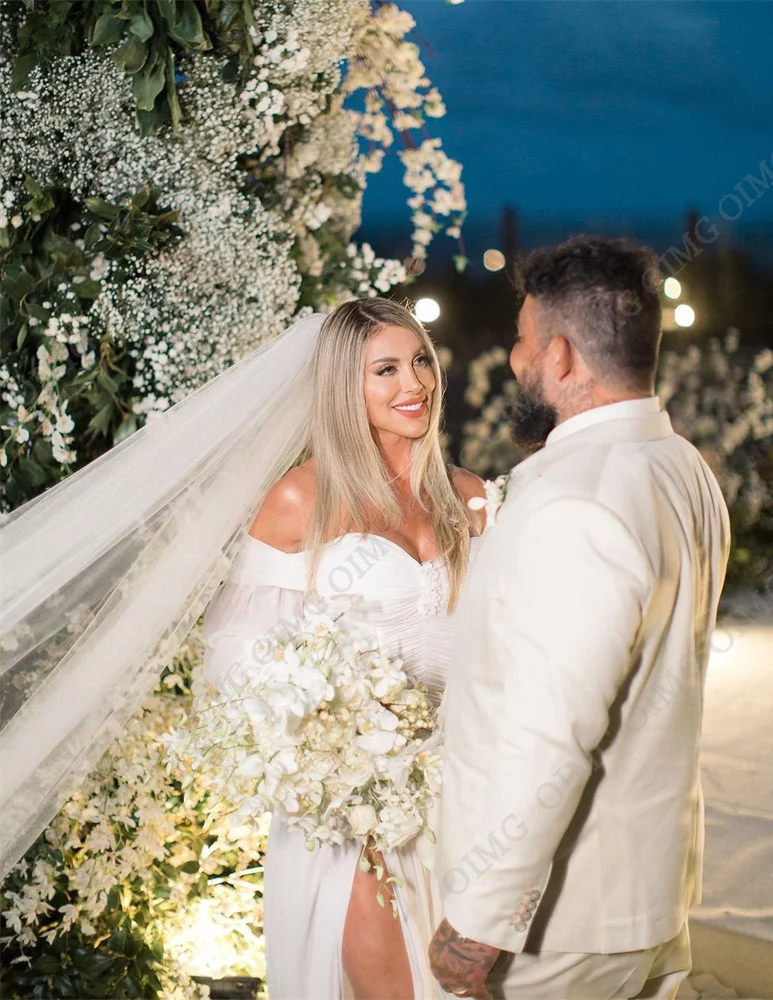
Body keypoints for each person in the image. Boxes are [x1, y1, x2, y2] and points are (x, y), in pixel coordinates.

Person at [429, 236, 731, 1000]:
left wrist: (481, 921)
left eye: (524, 344)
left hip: (560, 926)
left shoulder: (574, 503)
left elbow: (549, 736)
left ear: (562, 357)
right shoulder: (683, 467)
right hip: (645, 897)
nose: (512, 360)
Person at [201, 297, 486, 1000]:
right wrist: (336, 756)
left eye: (420, 359)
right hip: (347, 816)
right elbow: (237, 664)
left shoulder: (470, 498)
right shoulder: (302, 500)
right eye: (384, 370)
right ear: (342, 389)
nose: (413, 383)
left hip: (469, 799)